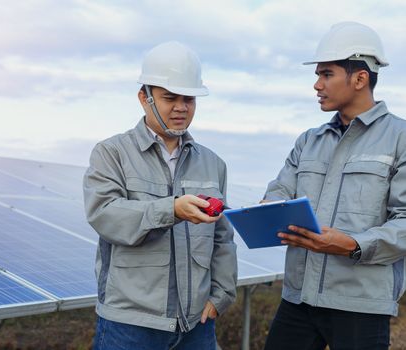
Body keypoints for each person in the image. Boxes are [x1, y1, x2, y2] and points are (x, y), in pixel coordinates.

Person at [83, 41, 237, 350]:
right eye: (170, 98)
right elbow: (105, 214)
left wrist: (221, 296)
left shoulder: (212, 163)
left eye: (189, 99)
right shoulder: (112, 153)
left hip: (197, 325)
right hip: (131, 324)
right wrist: (173, 210)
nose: (181, 107)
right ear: (144, 98)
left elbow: (221, 238)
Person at [263, 22, 406, 350]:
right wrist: (266, 210)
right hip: (298, 298)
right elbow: (280, 190)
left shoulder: (400, 139)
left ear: (360, 78)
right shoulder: (309, 141)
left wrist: (353, 244)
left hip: (360, 303)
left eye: (326, 74)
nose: (317, 85)